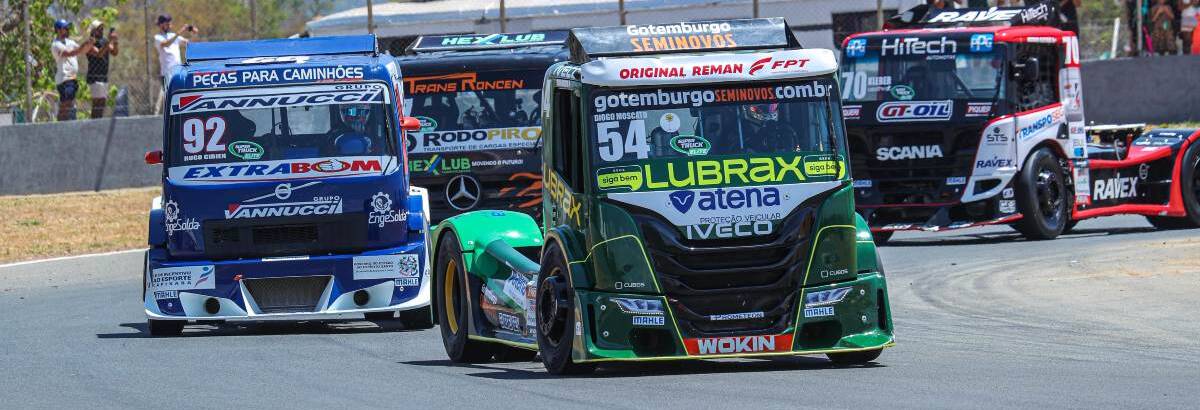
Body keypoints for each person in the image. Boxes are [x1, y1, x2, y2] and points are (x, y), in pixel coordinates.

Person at [51, 19, 95, 121]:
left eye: (67, 27)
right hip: (64, 79)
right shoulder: (56, 44)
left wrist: (90, 43)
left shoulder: (70, 42)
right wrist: (85, 44)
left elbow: (82, 50)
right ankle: (60, 122)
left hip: (72, 78)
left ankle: (63, 122)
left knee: (68, 103)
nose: (67, 29)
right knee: (66, 103)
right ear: (58, 30)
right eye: (64, 28)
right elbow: (70, 53)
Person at [153, 14, 196, 113]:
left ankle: (182, 112)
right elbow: (166, 44)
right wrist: (180, 31)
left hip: (178, 71)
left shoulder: (173, 36)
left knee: (180, 93)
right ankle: (155, 115)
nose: (169, 24)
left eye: (169, 22)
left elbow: (189, 44)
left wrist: (194, 33)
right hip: (167, 72)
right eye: (167, 22)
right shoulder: (158, 37)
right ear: (161, 25)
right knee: (164, 95)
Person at [85, 20, 118, 118]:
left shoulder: (104, 40)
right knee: (96, 104)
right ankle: (94, 125)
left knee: (102, 104)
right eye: (99, 29)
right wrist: (109, 42)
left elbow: (114, 52)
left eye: (102, 28)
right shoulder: (90, 42)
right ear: (93, 30)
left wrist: (115, 41)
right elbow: (99, 54)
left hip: (104, 76)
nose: (101, 30)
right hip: (94, 77)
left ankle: (98, 124)